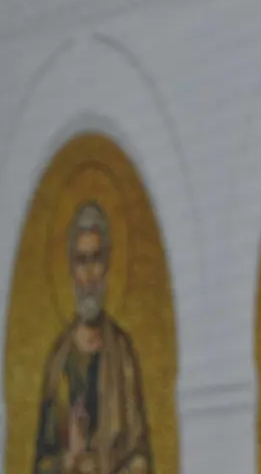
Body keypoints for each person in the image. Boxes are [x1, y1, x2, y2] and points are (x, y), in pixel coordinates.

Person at [34, 202, 153, 474]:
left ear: (107, 266)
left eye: (96, 259)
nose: (89, 275)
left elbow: (140, 454)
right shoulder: (59, 362)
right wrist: (70, 460)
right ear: (71, 269)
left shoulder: (122, 354)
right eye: (81, 260)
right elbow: (41, 465)